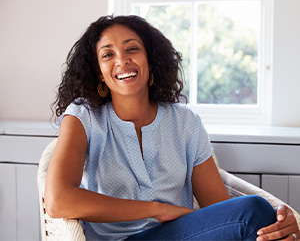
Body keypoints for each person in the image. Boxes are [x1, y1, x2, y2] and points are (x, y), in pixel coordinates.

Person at [44, 15, 300, 241]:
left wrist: (274, 225)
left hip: (184, 234)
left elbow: (221, 210)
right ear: (99, 72)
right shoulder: (83, 116)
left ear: (151, 60)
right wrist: (156, 209)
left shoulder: (185, 123)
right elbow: (58, 200)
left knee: (260, 220)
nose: (122, 60)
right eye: (108, 54)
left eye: (132, 49)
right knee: (253, 212)